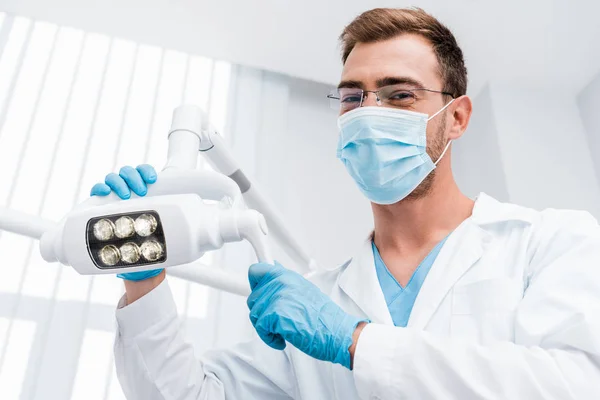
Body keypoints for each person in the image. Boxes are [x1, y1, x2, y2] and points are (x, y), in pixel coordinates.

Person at [91, 7, 600, 399]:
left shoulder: (550, 243)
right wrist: (144, 277)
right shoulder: (317, 301)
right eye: (353, 98)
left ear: (457, 117)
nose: (368, 114)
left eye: (398, 94)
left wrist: (356, 342)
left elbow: (576, 385)